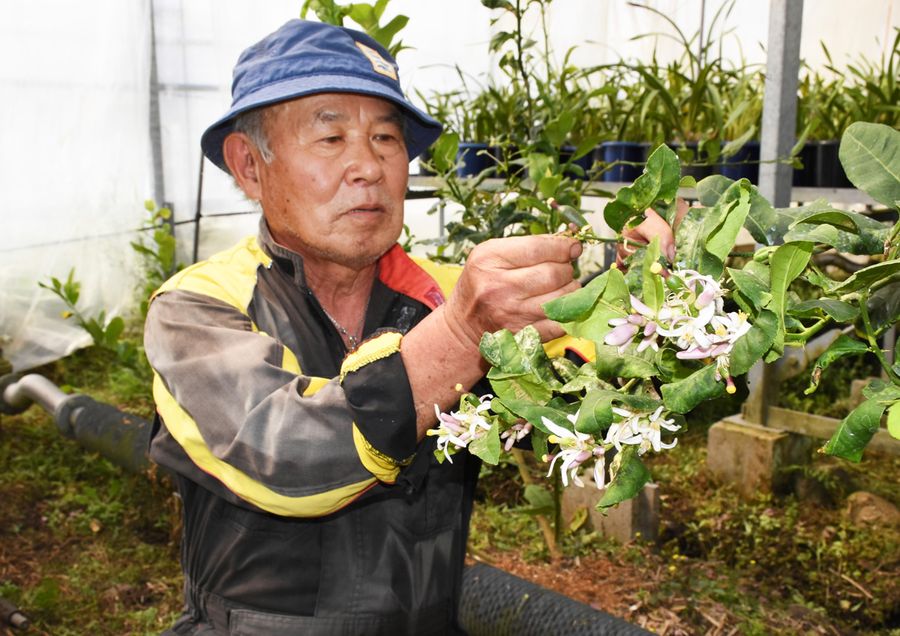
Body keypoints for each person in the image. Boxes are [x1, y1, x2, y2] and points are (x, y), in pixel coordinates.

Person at [144, 19, 675, 635]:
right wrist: (456, 339)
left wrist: (646, 305)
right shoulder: (198, 308)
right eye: (331, 137)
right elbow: (284, 456)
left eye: (386, 138)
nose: (367, 166)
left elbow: (591, 411)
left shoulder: (450, 295)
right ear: (250, 166)